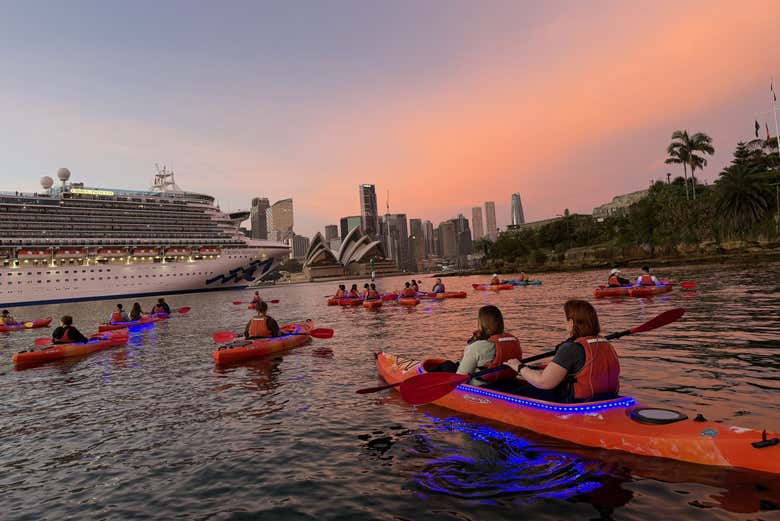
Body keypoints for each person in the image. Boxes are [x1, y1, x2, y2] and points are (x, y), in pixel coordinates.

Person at [505, 299, 620, 402]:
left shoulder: (571, 348)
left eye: (565, 319)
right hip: (607, 397)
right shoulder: (605, 343)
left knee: (514, 393)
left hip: (578, 403)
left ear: (571, 322)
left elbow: (543, 382)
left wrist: (519, 366)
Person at [453, 305, 522, 386]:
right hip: (508, 383)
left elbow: (461, 377)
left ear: (481, 323)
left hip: (481, 386)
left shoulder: (477, 346)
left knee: (446, 365)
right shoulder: (513, 341)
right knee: (448, 364)